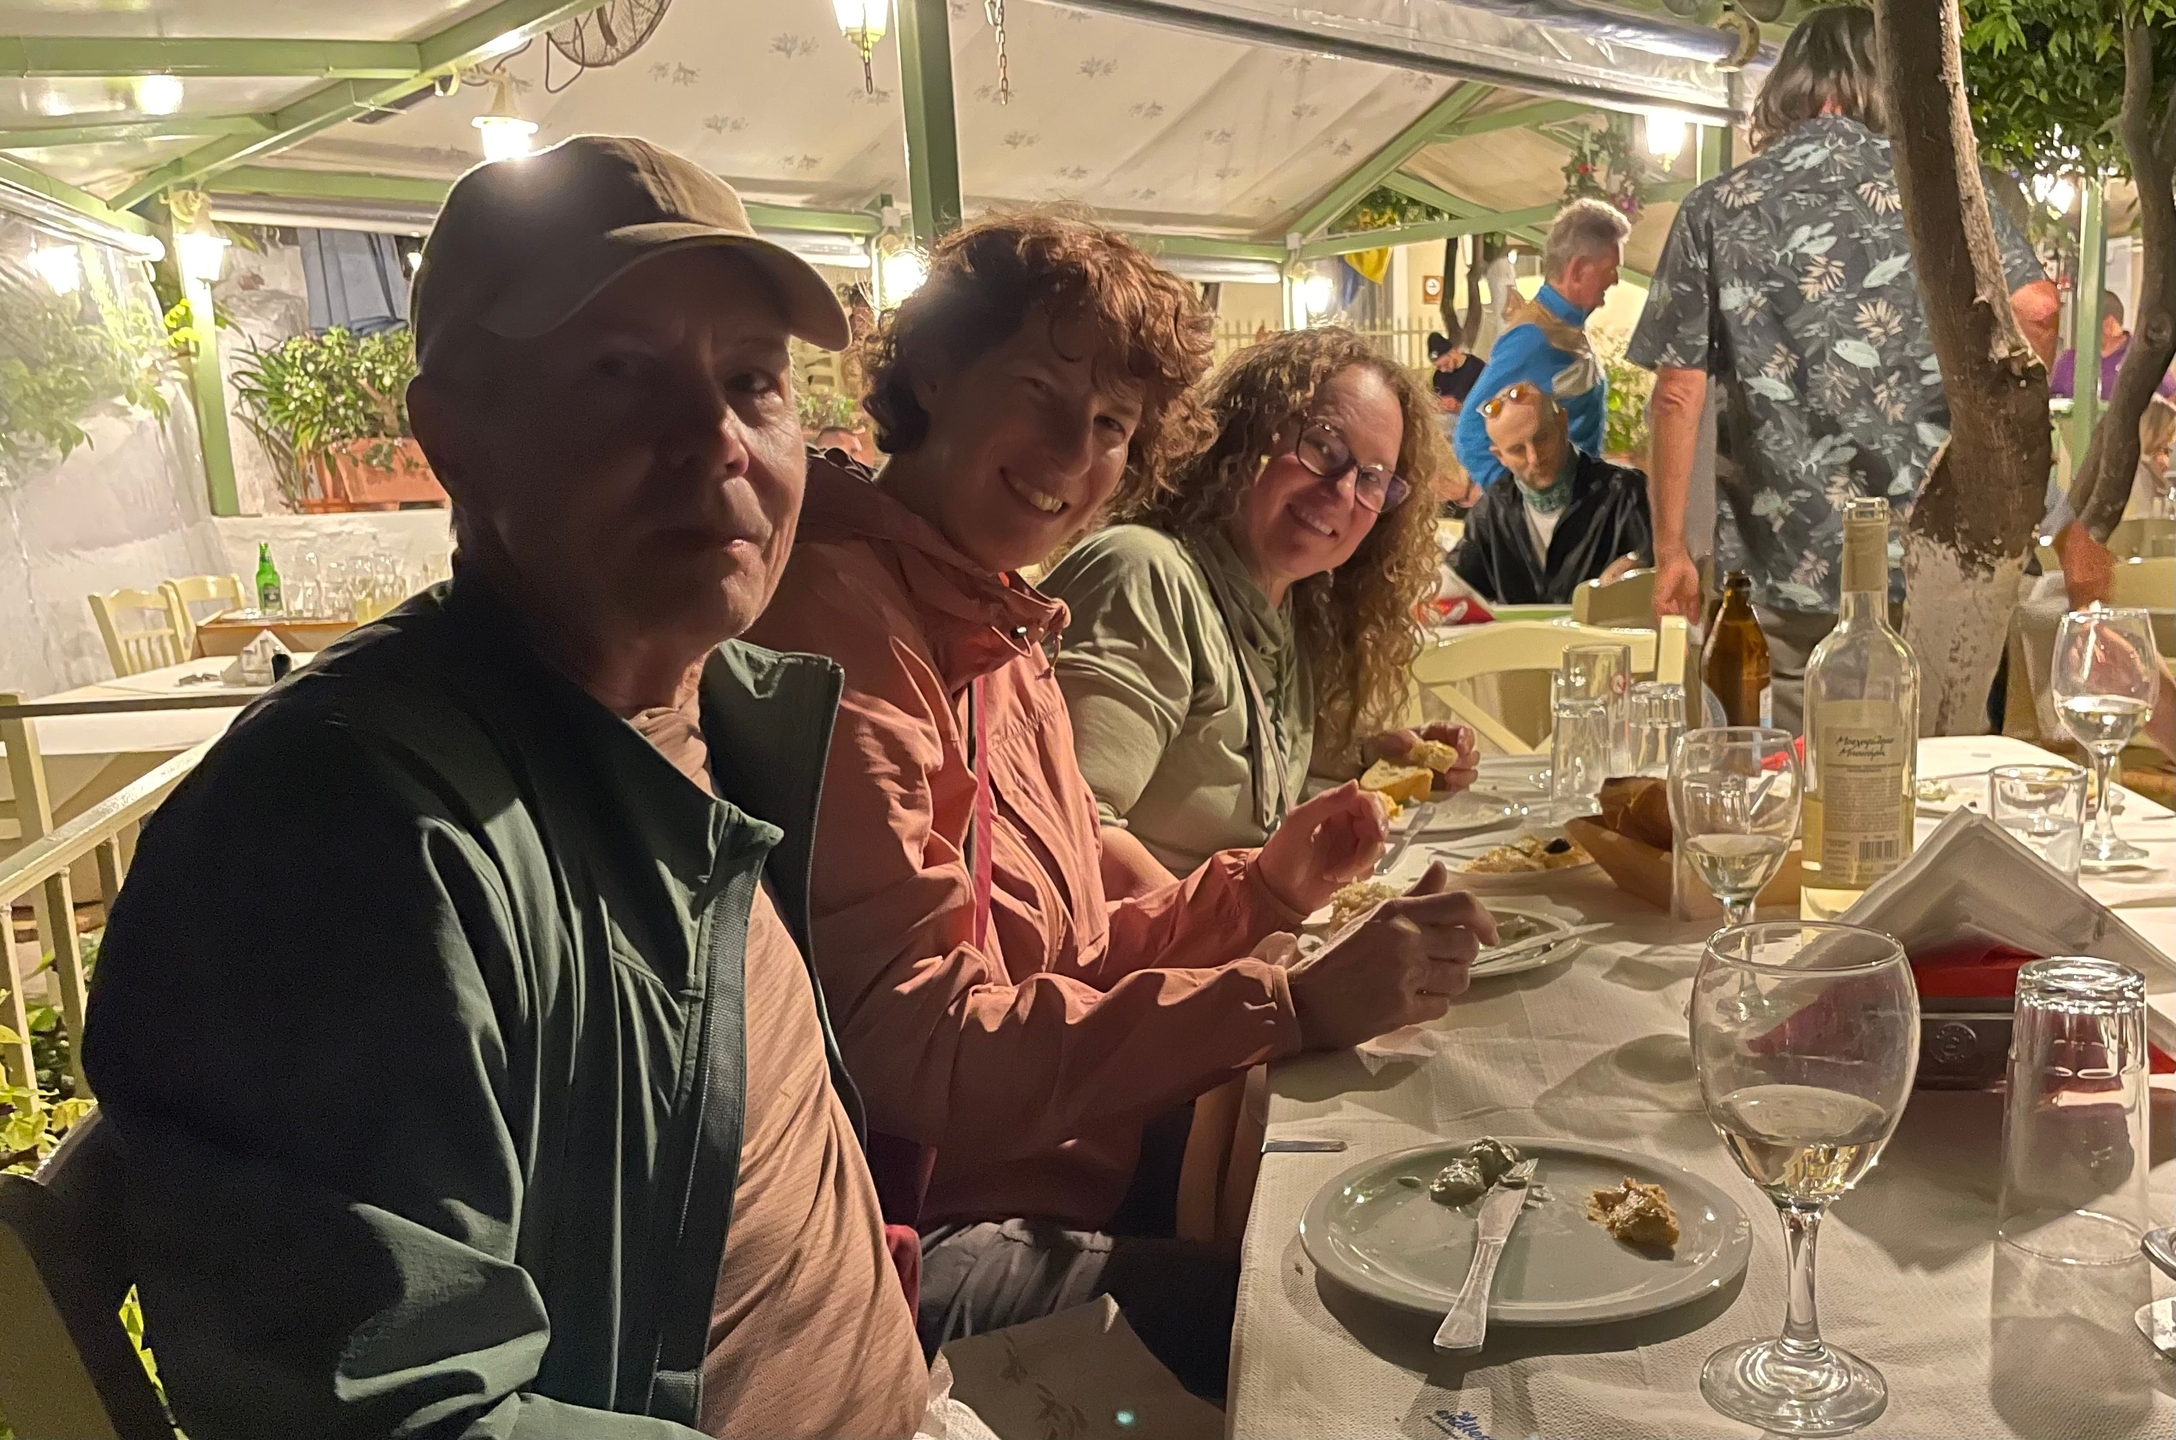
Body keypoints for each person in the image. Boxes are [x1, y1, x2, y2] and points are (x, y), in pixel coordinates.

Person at [81, 137, 935, 1438]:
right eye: (618, 372)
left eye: (752, 381)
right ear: (455, 439)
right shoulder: (347, 831)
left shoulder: (720, 712)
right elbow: (393, 1421)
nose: (715, 440)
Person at [744, 213, 1497, 1399]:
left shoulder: (993, 620)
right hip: (912, 1242)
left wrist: (1265, 891)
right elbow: (920, 1054)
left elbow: (1071, 950)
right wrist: (1288, 1004)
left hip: (1067, 1156)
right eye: (1039, 393)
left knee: (1430, 1207)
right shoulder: (844, 624)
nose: (1071, 451)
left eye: (1110, 425)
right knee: (1356, 1330)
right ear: (932, 372)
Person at [1628, 3, 2060, 732]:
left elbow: (1677, 395)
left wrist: (1671, 550)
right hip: (1936, 569)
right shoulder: (1947, 203)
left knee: (1784, 775)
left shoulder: (1716, 209)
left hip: (1778, 575)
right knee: (1932, 773)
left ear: (1789, 86)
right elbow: (2038, 309)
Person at [1042, 326, 1481, 881]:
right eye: (1323, 446)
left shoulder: (1285, 606)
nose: (1343, 490)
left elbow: (1234, 761)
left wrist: (1371, 755)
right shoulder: (1144, 574)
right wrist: (1257, 916)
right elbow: (1069, 837)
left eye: (1373, 478)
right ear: (1244, 435)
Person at [1452, 198, 1629, 489]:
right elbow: (1470, 436)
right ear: (1577, 270)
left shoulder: (1561, 328)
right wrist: (1522, 505)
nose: (1615, 280)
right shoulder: (1532, 339)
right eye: (1609, 268)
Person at [1446, 381, 1651, 605]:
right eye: (1517, 450)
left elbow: (1659, 560)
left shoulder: (1625, 494)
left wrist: (1641, 563)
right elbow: (1454, 585)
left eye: (1541, 438)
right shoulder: (1491, 512)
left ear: (1562, 424)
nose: (1534, 458)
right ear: (1500, 456)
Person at [2050, 290, 2176, 404]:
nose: (2080, 328)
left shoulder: (2144, 359)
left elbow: (2171, 400)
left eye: (2086, 321)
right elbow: (2052, 406)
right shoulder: (2067, 362)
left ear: (2110, 324)